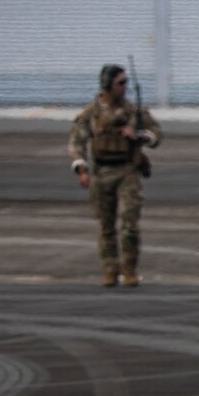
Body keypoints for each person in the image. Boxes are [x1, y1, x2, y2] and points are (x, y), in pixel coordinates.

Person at [68, 64, 162, 287]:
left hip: (127, 171)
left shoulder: (133, 111)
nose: (125, 87)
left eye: (126, 82)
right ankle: (110, 269)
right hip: (101, 173)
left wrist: (139, 135)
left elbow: (156, 134)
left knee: (130, 223)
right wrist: (82, 169)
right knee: (106, 225)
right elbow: (77, 140)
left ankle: (129, 269)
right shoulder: (92, 113)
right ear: (108, 85)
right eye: (121, 83)